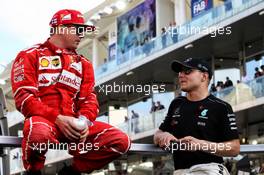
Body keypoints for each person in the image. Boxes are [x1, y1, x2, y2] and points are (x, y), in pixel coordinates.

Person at [11, 9, 131, 175]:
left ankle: (72, 172)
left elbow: (89, 99)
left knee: (120, 141)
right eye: (78, 30)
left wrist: (84, 122)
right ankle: (33, 171)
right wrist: (58, 119)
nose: (82, 35)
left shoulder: (84, 64)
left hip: (75, 126)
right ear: (61, 28)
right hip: (45, 121)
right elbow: (24, 98)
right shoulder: (30, 55)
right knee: (37, 133)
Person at [154, 58, 240, 175]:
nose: (180, 75)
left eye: (187, 71)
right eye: (180, 72)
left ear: (204, 77)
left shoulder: (221, 107)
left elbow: (234, 148)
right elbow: (157, 135)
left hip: (209, 169)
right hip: (179, 171)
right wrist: (163, 135)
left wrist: (200, 144)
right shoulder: (176, 103)